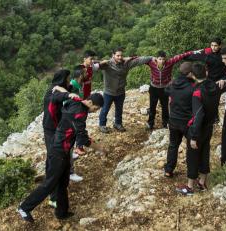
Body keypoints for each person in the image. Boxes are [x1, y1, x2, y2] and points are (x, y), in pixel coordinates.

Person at [18, 93, 106, 222]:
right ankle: (24, 207)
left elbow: (65, 101)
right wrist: (99, 148)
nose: (95, 111)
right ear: (91, 103)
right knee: (49, 183)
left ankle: (61, 212)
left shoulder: (75, 102)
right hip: (58, 151)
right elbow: (82, 137)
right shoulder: (80, 113)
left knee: (63, 183)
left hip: (62, 149)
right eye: (96, 108)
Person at [176, 63, 226, 195]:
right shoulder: (215, 86)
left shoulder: (197, 92)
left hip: (198, 129)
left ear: (192, 75)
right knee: (204, 152)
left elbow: (198, 115)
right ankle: (202, 182)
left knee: (192, 156)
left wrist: (194, 137)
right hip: (209, 127)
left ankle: (190, 187)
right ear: (206, 73)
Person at [42, 69, 79, 208]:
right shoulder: (54, 93)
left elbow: (71, 87)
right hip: (51, 130)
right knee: (55, 160)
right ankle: (53, 197)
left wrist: (67, 88)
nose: (69, 81)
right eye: (67, 79)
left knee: (52, 158)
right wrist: (70, 95)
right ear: (62, 80)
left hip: (53, 128)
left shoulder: (56, 88)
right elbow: (62, 96)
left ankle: (53, 189)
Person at [98, 47, 152, 133]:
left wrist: (152, 58)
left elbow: (139, 60)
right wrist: (99, 63)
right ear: (113, 55)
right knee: (105, 109)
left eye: (121, 55)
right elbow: (94, 66)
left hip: (120, 92)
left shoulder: (126, 63)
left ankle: (118, 124)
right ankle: (102, 125)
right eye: (117, 55)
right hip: (109, 92)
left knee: (119, 109)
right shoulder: (107, 64)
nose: (120, 57)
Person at [145, 50, 194, 130]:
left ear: (165, 59)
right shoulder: (151, 63)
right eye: (160, 59)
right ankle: (150, 123)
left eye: (163, 59)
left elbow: (179, 56)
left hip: (165, 88)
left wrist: (191, 52)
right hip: (154, 88)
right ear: (156, 59)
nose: (162, 61)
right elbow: (141, 59)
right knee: (152, 106)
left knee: (165, 107)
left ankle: (165, 123)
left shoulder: (169, 63)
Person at [163, 62, 195, 177]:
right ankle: (192, 171)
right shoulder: (192, 87)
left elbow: (166, 91)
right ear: (189, 73)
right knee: (192, 146)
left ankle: (168, 170)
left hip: (173, 120)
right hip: (187, 122)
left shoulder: (173, 84)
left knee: (173, 145)